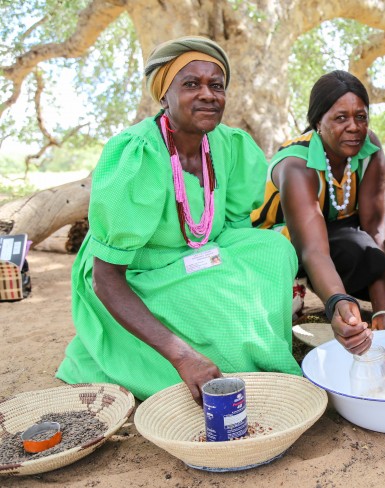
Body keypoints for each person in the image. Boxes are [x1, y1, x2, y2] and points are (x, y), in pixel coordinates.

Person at [56, 37, 301, 403]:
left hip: (201, 253)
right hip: (140, 272)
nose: (208, 94)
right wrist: (182, 355)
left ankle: (253, 346)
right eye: (191, 84)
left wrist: (232, 279)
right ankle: (212, 356)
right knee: (224, 316)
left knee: (273, 249)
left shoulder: (230, 145)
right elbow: (107, 277)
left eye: (216, 85)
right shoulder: (136, 154)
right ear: (164, 95)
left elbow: (234, 232)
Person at [251, 71, 385, 356]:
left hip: (339, 230)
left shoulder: (369, 149)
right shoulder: (297, 164)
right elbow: (314, 250)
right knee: (356, 247)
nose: (354, 127)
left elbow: (374, 226)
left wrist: (382, 311)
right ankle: (312, 292)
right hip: (283, 241)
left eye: (361, 117)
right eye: (340, 118)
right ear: (317, 123)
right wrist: (337, 303)